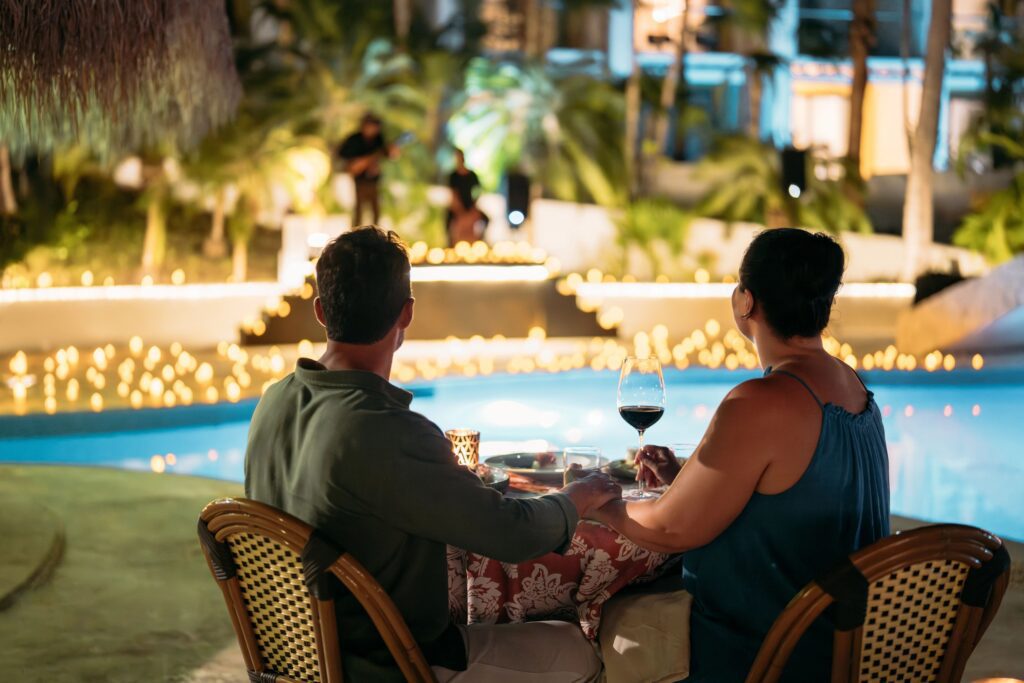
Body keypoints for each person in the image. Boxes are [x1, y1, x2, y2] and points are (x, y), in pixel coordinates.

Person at [245, 226, 616, 682]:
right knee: (577, 649)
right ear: (407, 313)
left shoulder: (272, 402)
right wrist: (580, 494)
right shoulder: (385, 429)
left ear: (321, 311)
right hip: (386, 666)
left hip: (297, 661)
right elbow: (511, 535)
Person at [590, 228, 890, 682]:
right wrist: (685, 479)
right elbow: (796, 502)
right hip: (847, 647)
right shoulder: (853, 387)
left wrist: (597, 504)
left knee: (604, 626)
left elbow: (670, 528)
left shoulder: (761, 401)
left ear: (745, 302)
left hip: (767, 656)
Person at [338, 113, 392, 226]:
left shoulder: (378, 140)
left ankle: (375, 233)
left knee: (375, 210)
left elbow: (385, 154)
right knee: (359, 211)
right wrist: (358, 163)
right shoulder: (354, 140)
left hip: (374, 180)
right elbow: (343, 156)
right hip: (360, 180)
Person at [447, 149, 486, 245]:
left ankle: (481, 241)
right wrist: (460, 210)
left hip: (470, 205)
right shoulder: (453, 176)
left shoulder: (472, 175)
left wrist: (473, 207)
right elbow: (454, 194)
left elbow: (478, 190)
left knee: (486, 220)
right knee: (447, 222)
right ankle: (450, 244)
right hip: (458, 207)